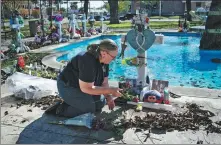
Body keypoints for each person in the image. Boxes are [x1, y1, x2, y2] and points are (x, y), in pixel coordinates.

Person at [46, 39, 122, 117]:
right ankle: (60, 109)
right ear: (103, 53)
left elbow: (104, 83)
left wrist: (108, 97)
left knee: (100, 103)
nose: (114, 60)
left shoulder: (105, 62)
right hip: (68, 86)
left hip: (81, 86)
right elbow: (86, 88)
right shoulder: (87, 60)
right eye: (113, 57)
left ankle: (75, 101)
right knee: (88, 109)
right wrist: (111, 90)